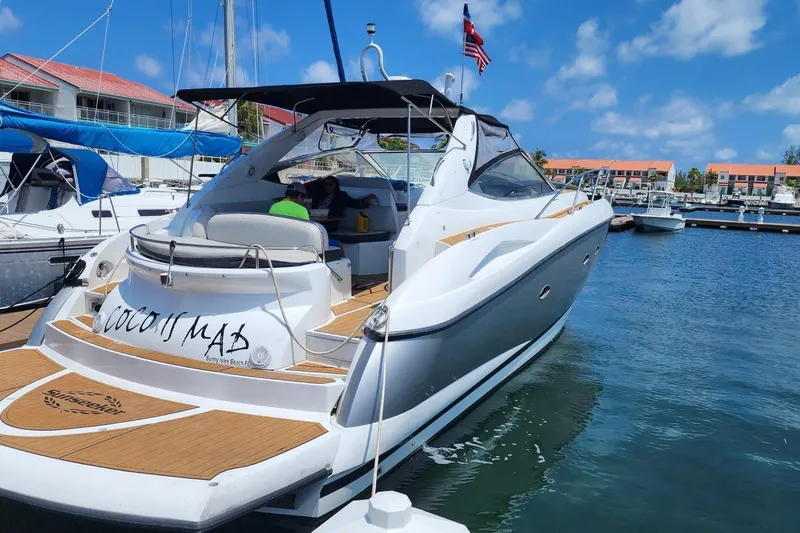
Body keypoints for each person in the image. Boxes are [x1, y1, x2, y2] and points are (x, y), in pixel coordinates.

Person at [306, 176, 377, 230]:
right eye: (325, 184)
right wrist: (317, 181)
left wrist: (366, 200)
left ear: (335, 185)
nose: (327, 187)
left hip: (329, 224)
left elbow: (353, 203)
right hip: (315, 221)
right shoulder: (320, 195)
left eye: (330, 184)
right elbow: (306, 188)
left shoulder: (341, 196)